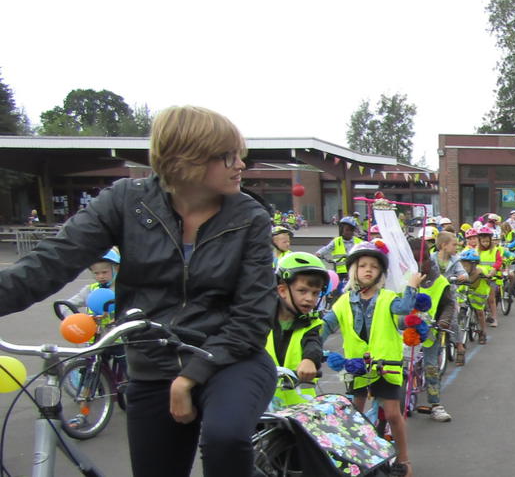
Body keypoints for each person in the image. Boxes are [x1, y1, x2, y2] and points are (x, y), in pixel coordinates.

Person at [0, 106, 276, 476]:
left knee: (226, 439)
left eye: (241, 154)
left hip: (228, 357)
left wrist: (191, 375)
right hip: (153, 363)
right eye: (228, 156)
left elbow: (254, 314)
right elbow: (51, 262)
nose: (240, 164)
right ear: (186, 160)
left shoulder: (249, 217)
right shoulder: (126, 201)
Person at [326, 241, 422, 475]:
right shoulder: (343, 302)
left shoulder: (389, 298)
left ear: (380, 273)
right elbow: (324, 328)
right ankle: (355, 459)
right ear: (353, 271)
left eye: (374, 266)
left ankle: (404, 459)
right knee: (353, 414)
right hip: (355, 366)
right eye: (362, 266)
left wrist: (411, 286)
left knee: (392, 413)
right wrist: (311, 352)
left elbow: (405, 308)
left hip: (385, 365)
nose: (368, 270)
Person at [266, 252, 328, 407]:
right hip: (261, 403)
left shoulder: (312, 323)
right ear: (282, 291)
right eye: (303, 291)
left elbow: (313, 344)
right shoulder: (260, 320)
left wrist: (309, 360)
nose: (310, 298)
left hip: (299, 407)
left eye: (315, 293)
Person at [410, 236, 457, 422]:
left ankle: (435, 404)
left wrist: (444, 321)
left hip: (430, 331)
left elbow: (448, 305)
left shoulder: (439, 282)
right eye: (414, 260)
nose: (419, 264)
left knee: (431, 367)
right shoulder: (402, 278)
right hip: (403, 331)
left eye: (422, 260)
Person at [430, 231, 470, 364]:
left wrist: (463, 276)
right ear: (443, 245)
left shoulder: (455, 260)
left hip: (448, 296)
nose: (456, 247)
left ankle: (460, 347)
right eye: (454, 245)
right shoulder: (431, 258)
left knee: (453, 322)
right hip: (433, 295)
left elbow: (463, 272)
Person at [64, 248, 120, 319]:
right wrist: (77, 320)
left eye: (104, 272)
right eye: (96, 273)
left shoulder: (125, 289)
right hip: (95, 330)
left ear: (117, 269)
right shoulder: (89, 290)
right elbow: (64, 306)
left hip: (123, 329)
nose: (101, 276)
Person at [317, 216, 363, 288]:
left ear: (353, 231)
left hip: (354, 270)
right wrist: (319, 253)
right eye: (346, 230)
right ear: (341, 230)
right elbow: (327, 249)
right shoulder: (336, 241)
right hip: (339, 272)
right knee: (335, 287)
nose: (347, 232)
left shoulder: (358, 242)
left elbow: (366, 249)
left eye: (350, 230)